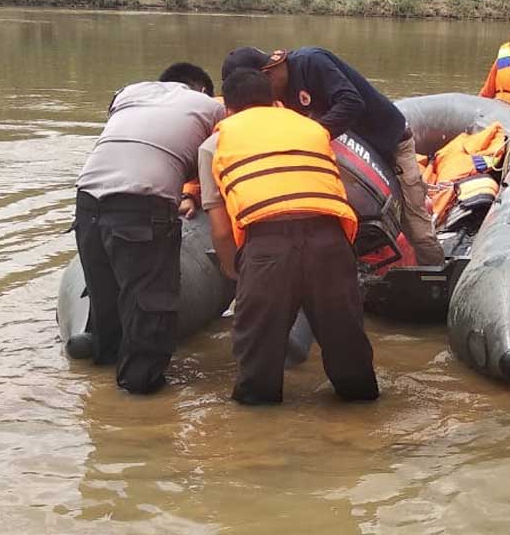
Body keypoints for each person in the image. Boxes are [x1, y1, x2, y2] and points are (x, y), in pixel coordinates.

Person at [198, 68, 379, 405]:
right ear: (276, 101)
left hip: (267, 245)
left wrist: (235, 272)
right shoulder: (312, 129)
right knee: (348, 346)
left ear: (228, 110)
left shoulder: (215, 143)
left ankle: (259, 440)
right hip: (330, 242)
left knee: (257, 360)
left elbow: (222, 230)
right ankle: (363, 416)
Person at [71, 62, 226, 394]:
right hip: (141, 206)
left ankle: (102, 389)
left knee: (106, 299)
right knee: (151, 302)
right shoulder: (212, 107)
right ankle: (140, 399)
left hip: (87, 202)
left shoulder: (131, 93)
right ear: (201, 89)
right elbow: (218, 157)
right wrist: (193, 195)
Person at [220, 46, 444, 267]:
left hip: (389, 146)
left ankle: (436, 281)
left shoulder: (311, 62)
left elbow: (351, 102)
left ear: (268, 74)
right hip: (346, 159)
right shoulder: (277, 98)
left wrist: (311, 136)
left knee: (418, 229)